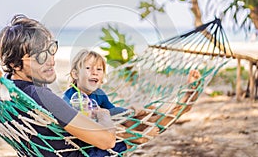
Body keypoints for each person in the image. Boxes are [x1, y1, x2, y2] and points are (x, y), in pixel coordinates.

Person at [0, 14, 116, 157]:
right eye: (40, 57)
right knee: (124, 140)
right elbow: (107, 141)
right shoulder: (41, 96)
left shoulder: (9, 88)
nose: (51, 61)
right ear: (14, 64)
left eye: (51, 50)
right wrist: (104, 116)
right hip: (82, 152)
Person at [63, 49, 202, 145]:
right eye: (88, 68)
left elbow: (115, 112)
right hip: (95, 133)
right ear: (75, 75)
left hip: (115, 125)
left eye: (99, 69)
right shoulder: (70, 98)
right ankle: (182, 105)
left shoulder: (99, 94)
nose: (94, 73)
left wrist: (129, 110)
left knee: (148, 112)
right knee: (146, 121)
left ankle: (182, 105)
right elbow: (76, 126)